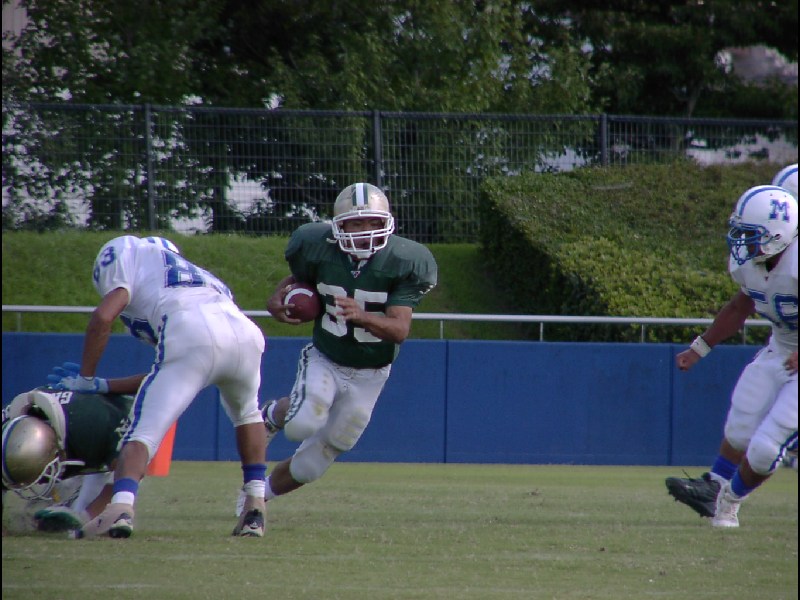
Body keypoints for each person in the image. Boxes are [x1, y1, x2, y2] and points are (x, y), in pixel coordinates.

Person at [239, 182, 437, 519]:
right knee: (302, 423)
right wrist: (277, 297)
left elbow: (399, 330)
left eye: (373, 222)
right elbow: (298, 279)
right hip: (326, 358)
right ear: (338, 226)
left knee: (315, 463)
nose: (365, 231)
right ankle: (273, 414)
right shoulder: (315, 245)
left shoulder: (405, 260)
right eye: (355, 223)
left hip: (371, 374)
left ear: (387, 222)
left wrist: (362, 317)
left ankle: (259, 497)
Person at [49, 234, 268, 539]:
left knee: (141, 434)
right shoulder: (201, 279)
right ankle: (255, 506)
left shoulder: (131, 252)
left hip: (190, 328)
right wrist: (102, 385)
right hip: (246, 333)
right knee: (248, 414)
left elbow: (103, 316)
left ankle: (120, 508)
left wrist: (86, 378)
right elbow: (162, 375)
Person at [665, 182, 797, 528]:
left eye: (750, 234)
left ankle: (729, 503)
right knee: (740, 426)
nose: (741, 241)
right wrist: (699, 348)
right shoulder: (752, 265)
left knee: (766, 448)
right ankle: (715, 487)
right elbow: (739, 307)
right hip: (781, 349)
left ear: (777, 234)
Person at [1, 387, 133, 532]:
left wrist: (89, 515)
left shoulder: (97, 428)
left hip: (105, 427)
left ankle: (82, 509)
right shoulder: (8, 423)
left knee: (124, 462)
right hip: (68, 433)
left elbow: (127, 467)